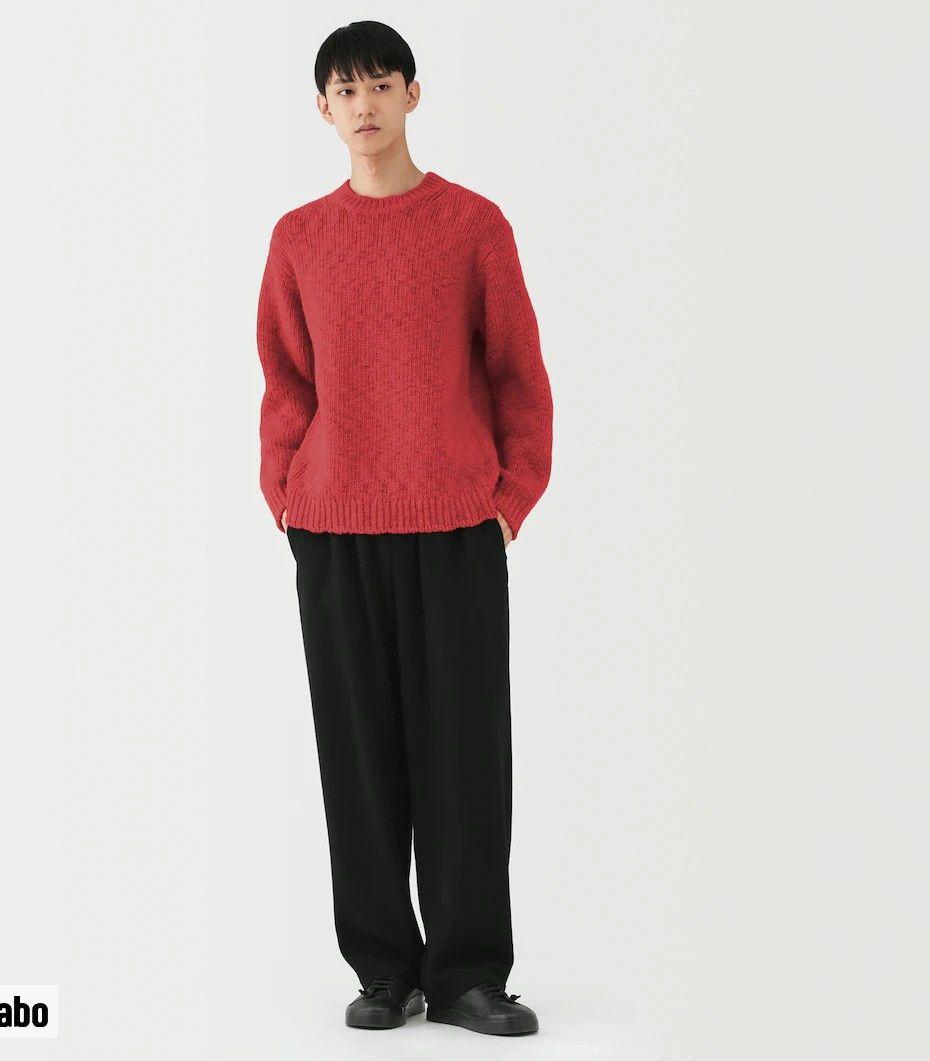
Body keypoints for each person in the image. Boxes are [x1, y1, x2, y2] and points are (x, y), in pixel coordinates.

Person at [255, 19, 553, 1038]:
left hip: (456, 525)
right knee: (358, 757)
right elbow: (286, 381)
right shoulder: (300, 237)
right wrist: (287, 497)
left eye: (381, 84)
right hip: (335, 530)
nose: (365, 104)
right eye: (346, 90)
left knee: (465, 755)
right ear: (323, 110)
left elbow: (518, 375)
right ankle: (385, 967)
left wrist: (509, 502)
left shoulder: (473, 226)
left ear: (413, 95)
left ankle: (469, 973)